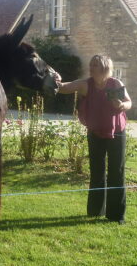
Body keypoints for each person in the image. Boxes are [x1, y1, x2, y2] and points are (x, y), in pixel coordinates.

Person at [56, 55, 131, 224]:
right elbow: (64, 87)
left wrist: (121, 105)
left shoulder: (115, 84)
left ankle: (116, 215)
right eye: (90, 65)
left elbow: (128, 103)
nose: (91, 68)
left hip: (116, 132)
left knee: (116, 173)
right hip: (95, 132)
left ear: (104, 67)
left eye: (95, 65)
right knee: (97, 172)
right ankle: (95, 211)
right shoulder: (85, 84)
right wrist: (55, 80)